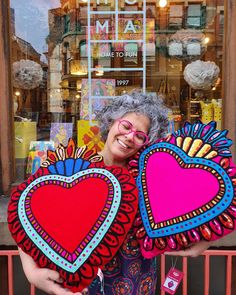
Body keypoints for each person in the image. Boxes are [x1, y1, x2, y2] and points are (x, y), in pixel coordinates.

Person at [18, 91, 212, 295]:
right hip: (82, 285)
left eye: (140, 136)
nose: (129, 137)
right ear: (111, 123)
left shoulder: (150, 178)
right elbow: (27, 213)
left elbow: (199, 198)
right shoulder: (74, 168)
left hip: (138, 283)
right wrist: (31, 272)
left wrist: (206, 241)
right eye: (126, 126)